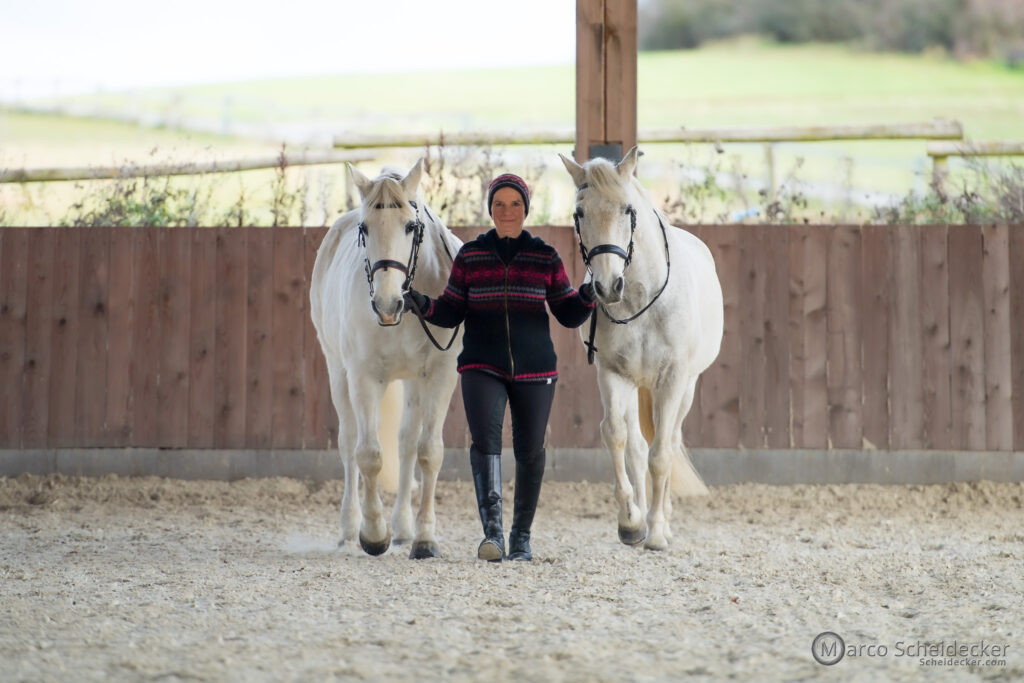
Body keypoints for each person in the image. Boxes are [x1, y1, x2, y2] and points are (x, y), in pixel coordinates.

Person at [404, 173, 595, 562]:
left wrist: (590, 294)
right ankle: (492, 535)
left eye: (515, 204)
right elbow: (451, 310)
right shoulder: (471, 256)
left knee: (530, 451)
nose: (507, 211)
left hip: (536, 371)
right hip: (481, 366)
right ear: (490, 209)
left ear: (526, 209)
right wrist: (423, 304)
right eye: (499, 204)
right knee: (485, 445)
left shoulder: (546, 256)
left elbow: (568, 313)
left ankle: (521, 538)